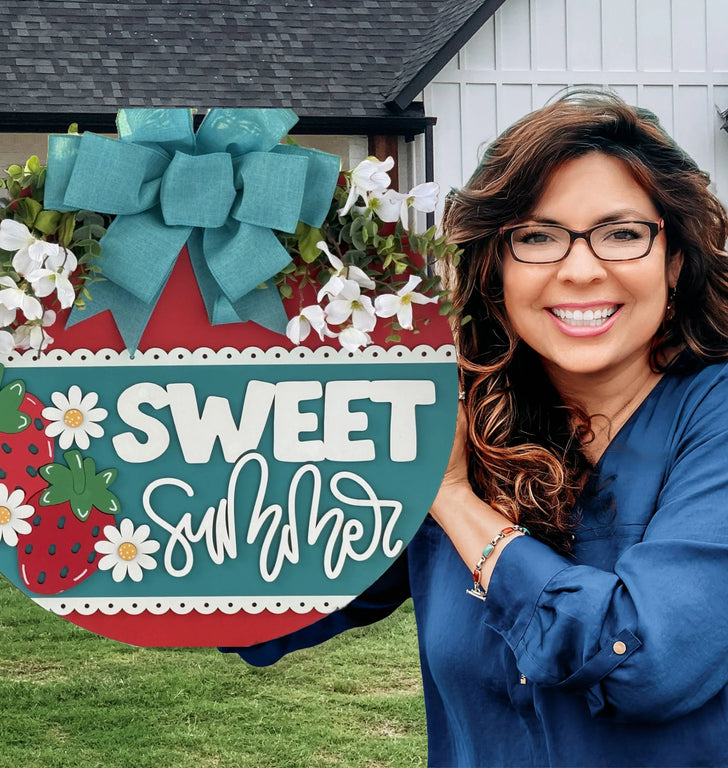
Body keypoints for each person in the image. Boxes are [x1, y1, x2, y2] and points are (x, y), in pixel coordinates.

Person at [226, 91, 728, 766]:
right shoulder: (464, 418)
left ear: (674, 260)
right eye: (538, 237)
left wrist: (456, 501)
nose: (580, 269)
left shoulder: (712, 419)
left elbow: (646, 664)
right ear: (497, 269)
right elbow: (270, 606)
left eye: (622, 233)